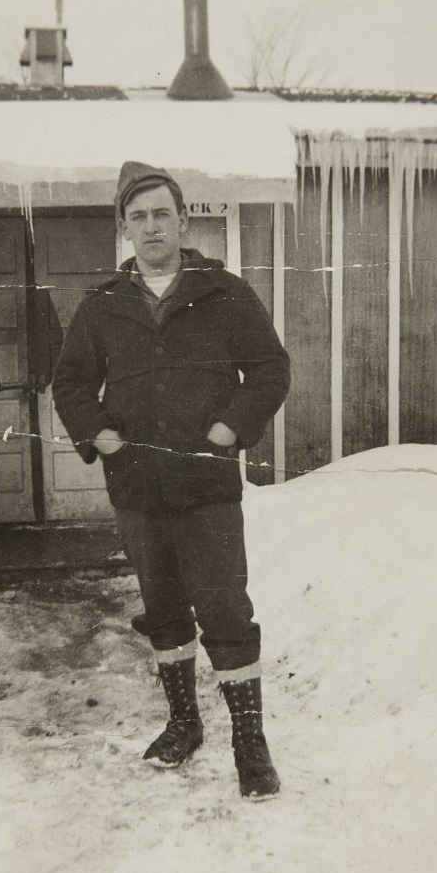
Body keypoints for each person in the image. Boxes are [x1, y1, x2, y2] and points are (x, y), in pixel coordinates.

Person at [52, 161, 291, 799]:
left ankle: (249, 740)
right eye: (139, 217)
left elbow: (270, 370)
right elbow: (71, 382)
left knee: (223, 606)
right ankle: (184, 722)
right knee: (162, 608)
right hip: (137, 487)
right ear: (124, 228)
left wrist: (228, 430)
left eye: (163, 214)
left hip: (206, 485)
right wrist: (105, 440)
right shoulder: (102, 305)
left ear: (183, 220)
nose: (152, 227)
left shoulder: (225, 292)